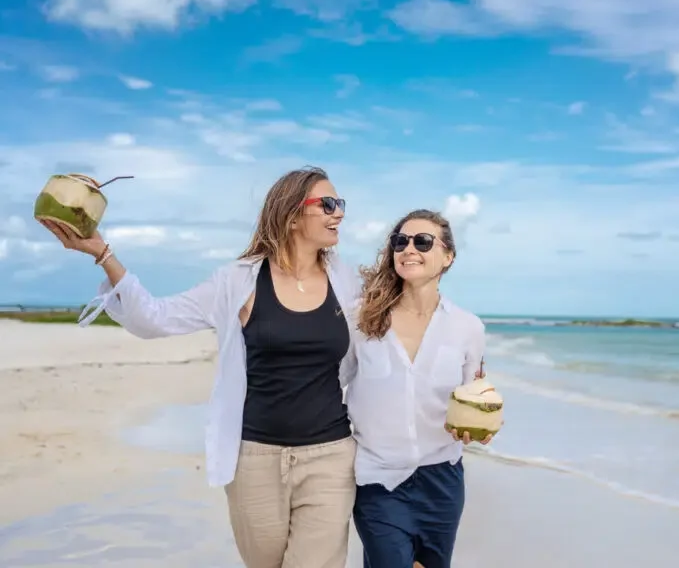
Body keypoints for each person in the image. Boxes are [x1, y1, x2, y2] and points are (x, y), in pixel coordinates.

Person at [37, 167, 360, 568]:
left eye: (339, 204)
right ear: (292, 215)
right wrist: (104, 254)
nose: (338, 212)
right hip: (254, 459)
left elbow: (392, 337)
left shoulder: (348, 284)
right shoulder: (237, 281)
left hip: (330, 456)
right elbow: (156, 318)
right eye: (327, 204)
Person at [342, 208, 492, 568]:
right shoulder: (360, 318)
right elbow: (331, 383)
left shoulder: (468, 327)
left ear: (448, 257)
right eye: (400, 242)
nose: (409, 249)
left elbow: (473, 396)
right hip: (378, 478)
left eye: (422, 242)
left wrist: (481, 427)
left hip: (442, 481)